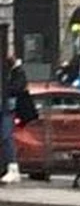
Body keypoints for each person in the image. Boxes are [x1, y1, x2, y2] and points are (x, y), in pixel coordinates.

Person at [1, 55, 35, 185]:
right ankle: (9, 167)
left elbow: (17, 88)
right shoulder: (13, 72)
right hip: (6, 107)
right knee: (5, 137)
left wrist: (5, 90)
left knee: (6, 136)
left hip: (8, 108)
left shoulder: (16, 72)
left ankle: (13, 168)